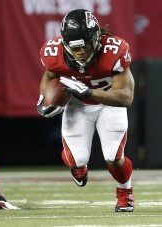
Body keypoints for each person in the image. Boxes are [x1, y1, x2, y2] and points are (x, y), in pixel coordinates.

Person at [37, 9, 135, 212]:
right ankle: (78, 167)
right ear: (65, 45)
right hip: (78, 106)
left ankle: (125, 191)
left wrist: (89, 92)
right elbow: (49, 75)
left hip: (110, 103)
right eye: (75, 48)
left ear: (97, 38)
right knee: (76, 160)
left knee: (113, 157)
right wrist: (44, 99)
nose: (81, 52)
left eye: (85, 45)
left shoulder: (114, 51)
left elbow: (125, 97)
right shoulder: (53, 53)